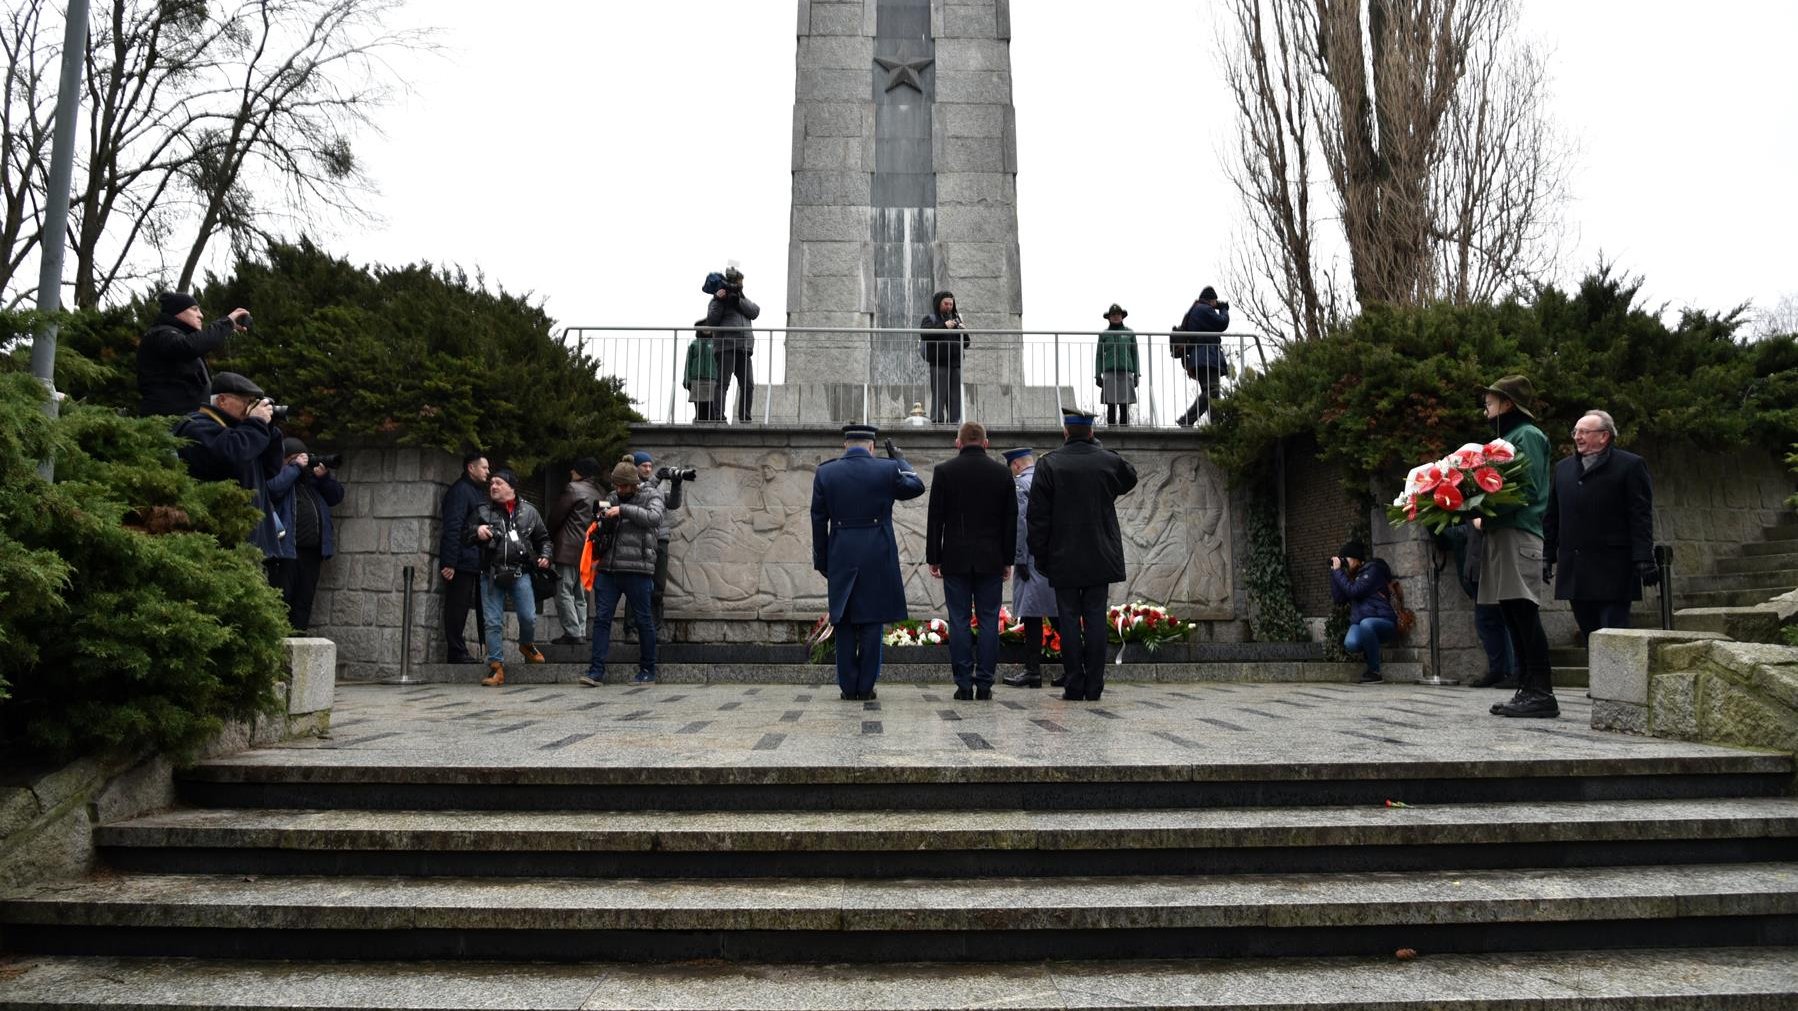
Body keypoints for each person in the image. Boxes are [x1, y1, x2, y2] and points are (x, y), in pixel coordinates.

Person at [1027, 410, 1138, 701]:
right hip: (1099, 553)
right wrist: (1097, 448)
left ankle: (1074, 683)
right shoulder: (1107, 460)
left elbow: (1037, 517)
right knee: (1095, 619)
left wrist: (1040, 555)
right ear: (1090, 432)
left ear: (1065, 432)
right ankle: (1095, 685)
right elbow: (1129, 477)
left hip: (1063, 555)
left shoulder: (1048, 464)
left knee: (1068, 618)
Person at [811, 423, 925, 700]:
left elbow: (817, 519)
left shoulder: (825, 472)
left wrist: (822, 560)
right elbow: (916, 487)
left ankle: (848, 687)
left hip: (841, 551)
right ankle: (866, 686)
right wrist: (900, 459)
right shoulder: (886, 469)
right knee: (872, 619)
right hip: (877, 552)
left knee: (845, 619)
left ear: (845, 445)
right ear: (872, 446)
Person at [1472, 375, 1558, 719]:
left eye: (1490, 401)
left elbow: (1527, 488)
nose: (1485, 407)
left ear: (1507, 403)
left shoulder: (1527, 436)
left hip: (1518, 532)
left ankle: (1541, 690)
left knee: (1522, 611)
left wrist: (1479, 504)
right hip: (1502, 532)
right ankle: (1527, 687)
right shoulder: (1508, 437)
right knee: (1510, 612)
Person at [1544, 409, 1658, 642]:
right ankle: (1599, 678)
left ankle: (1619, 680)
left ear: (1604, 436)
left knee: (1615, 636)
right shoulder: (1563, 469)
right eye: (1576, 431)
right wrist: (1547, 554)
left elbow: (1640, 515)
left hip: (1613, 568)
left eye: (1584, 432)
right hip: (1575, 568)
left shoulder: (1630, 465)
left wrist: (1644, 557)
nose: (1577, 436)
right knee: (1590, 636)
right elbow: (1552, 516)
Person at [926, 421, 1017, 700]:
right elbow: (1010, 521)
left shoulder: (944, 472)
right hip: (991, 558)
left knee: (959, 620)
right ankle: (986, 684)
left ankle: (964, 684)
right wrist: (1007, 559)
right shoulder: (1002, 473)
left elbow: (936, 519)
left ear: (958, 442)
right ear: (986, 443)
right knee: (989, 620)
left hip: (955, 558)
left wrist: (934, 557)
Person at [173, 372, 289, 584]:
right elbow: (231, 454)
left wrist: (268, 428)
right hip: (223, 543)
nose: (249, 408)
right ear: (222, 399)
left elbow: (270, 469)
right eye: (245, 402)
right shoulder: (196, 427)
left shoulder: (240, 431)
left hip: (255, 543)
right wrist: (255, 424)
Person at [580, 461, 667, 686]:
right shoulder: (611, 497)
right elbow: (598, 526)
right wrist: (600, 521)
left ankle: (648, 671)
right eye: (616, 486)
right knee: (601, 619)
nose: (619, 491)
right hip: (608, 568)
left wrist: (623, 510)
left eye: (623, 486)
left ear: (633, 484)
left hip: (638, 568)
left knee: (643, 619)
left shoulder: (651, 496)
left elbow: (655, 518)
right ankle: (595, 671)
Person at [466, 469, 552, 686]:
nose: (493, 486)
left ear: (512, 488)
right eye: (492, 483)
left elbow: (544, 539)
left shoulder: (530, 512)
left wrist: (545, 556)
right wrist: (476, 532)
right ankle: (496, 668)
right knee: (492, 622)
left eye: (499, 483)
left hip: (519, 572)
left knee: (528, 616)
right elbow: (464, 535)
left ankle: (526, 644)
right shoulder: (482, 511)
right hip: (491, 573)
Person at [1000, 447, 1059, 689]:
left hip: (1032, 558)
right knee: (1058, 613)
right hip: (1054, 557)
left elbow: (1022, 523)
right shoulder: (1050, 479)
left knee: (1032, 614)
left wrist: (1019, 558)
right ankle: (1078, 667)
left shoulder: (1020, 485)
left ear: (1015, 465)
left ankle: (1032, 671)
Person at [137, 292, 250, 417]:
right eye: (194, 310)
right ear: (177, 311)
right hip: (168, 424)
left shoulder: (179, 339)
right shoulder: (161, 334)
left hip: (187, 422)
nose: (201, 315)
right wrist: (226, 323)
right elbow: (189, 347)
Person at [1438, 524, 1518, 689]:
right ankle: (1498, 671)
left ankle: (1512, 672)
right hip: (1476, 566)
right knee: (1486, 622)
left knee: (1504, 620)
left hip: (1493, 562)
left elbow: (1472, 528)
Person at [280, 437, 344, 631]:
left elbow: (336, 496)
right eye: (296, 458)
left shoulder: (311, 482)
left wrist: (323, 478)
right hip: (286, 551)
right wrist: (295, 468)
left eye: (304, 458)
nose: (303, 462)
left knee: (304, 601)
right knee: (283, 599)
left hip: (312, 553)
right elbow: (273, 488)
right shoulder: (280, 476)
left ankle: (298, 641)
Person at [437, 452, 491, 664]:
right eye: (484, 467)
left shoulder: (475, 492)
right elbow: (453, 527)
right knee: (457, 606)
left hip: (473, 560)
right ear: (471, 468)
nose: (487, 471)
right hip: (461, 560)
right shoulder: (461, 491)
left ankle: (462, 650)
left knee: (465, 606)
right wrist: (449, 561)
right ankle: (456, 651)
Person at [546, 457, 603, 646]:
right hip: (586, 550)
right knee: (580, 593)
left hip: (568, 548)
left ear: (581, 472)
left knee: (563, 590)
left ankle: (571, 632)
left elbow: (556, 517)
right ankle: (580, 630)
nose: (571, 471)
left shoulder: (573, 489)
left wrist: (549, 537)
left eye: (575, 469)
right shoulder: (599, 492)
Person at [632, 450, 687, 639]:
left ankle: (655, 629)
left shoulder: (656, 489)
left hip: (660, 540)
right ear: (635, 468)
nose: (648, 469)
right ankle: (631, 629)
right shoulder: (630, 485)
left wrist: (676, 484)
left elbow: (673, 503)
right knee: (636, 587)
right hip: (638, 541)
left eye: (649, 466)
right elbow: (638, 496)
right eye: (644, 466)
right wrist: (656, 478)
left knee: (658, 588)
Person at [1328, 540, 1398, 684]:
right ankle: (1371, 648)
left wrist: (1339, 572)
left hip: (1384, 622)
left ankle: (1374, 672)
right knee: (1350, 643)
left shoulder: (1372, 571)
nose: (1345, 563)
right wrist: (1334, 574)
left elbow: (1354, 591)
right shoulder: (1353, 576)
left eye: (1346, 559)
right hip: (1364, 624)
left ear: (1355, 558)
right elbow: (1339, 599)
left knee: (1366, 624)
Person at [704, 267, 760, 423]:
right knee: (723, 383)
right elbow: (712, 321)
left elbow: (755, 312)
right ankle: (719, 418)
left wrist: (738, 301)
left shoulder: (741, 299)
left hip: (744, 348)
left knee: (748, 385)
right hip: (725, 346)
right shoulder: (716, 301)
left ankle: (745, 419)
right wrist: (717, 300)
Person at [1171, 286, 1229, 427]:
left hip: (1201, 356)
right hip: (1207, 356)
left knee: (1210, 393)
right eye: (1215, 301)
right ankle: (1187, 419)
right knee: (1213, 391)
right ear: (1211, 300)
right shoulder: (1204, 309)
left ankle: (1216, 424)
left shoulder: (1195, 310)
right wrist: (1224, 309)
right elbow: (1222, 323)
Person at [919, 290, 968, 424]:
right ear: (938, 304)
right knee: (939, 395)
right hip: (939, 363)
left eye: (951, 304)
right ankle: (937, 422)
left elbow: (967, 343)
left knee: (955, 397)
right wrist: (944, 326)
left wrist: (964, 331)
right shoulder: (930, 319)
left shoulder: (956, 320)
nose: (949, 307)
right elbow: (924, 335)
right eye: (946, 304)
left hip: (956, 364)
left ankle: (954, 423)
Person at [1094, 304, 1139, 427]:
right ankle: (1111, 430)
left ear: (1122, 316)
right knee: (1111, 405)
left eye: (1118, 314)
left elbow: (1135, 354)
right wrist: (1098, 375)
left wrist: (1137, 374)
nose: (1116, 317)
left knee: (1125, 406)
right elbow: (1099, 355)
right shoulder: (1104, 334)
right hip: (1109, 373)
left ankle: (1125, 431)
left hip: (1126, 372)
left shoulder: (1130, 333)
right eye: (1113, 315)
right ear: (1109, 317)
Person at [685, 320, 719, 423]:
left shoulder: (716, 343)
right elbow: (688, 363)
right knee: (699, 408)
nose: (706, 328)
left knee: (711, 408)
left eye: (709, 326)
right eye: (704, 326)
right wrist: (687, 379)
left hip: (712, 379)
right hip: (696, 379)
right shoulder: (694, 344)